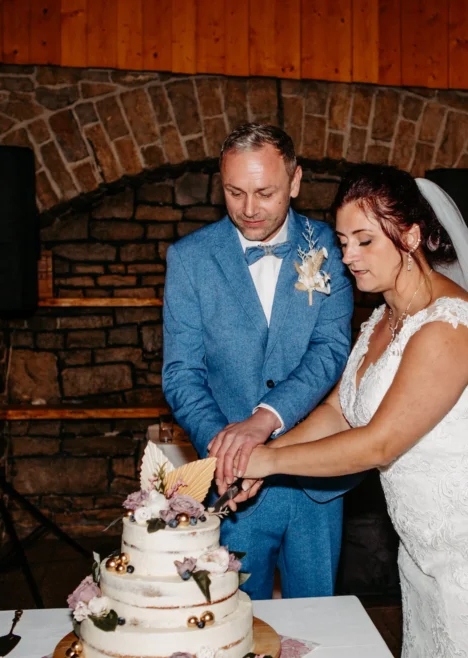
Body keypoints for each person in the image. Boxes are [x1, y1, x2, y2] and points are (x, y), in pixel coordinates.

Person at [214, 164, 468, 657]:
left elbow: (380, 441)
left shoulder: (450, 327)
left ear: (411, 235)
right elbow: (341, 409)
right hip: (427, 533)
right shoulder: (383, 318)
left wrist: (266, 464)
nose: (347, 258)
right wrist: (266, 450)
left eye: (364, 241)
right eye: (341, 242)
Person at [161, 123, 355, 600]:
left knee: (321, 625)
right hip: (232, 488)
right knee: (231, 621)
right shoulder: (189, 260)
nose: (249, 209)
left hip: (316, 479)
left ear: (294, 181)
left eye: (265, 192)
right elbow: (181, 373)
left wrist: (263, 420)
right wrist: (222, 446)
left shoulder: (334, 247)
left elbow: (330, 351)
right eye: (234, 192)